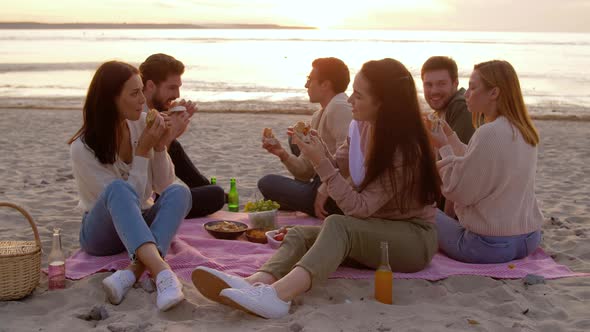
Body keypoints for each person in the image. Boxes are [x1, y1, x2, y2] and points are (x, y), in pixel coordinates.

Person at [192, 58, 441, 319]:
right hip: (377, 231)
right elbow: (335, 164)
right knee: (299, 234)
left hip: (413, 240)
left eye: (358, 95)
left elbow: (358, 209)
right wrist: (317, 150)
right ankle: (256, 282)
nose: (350, 101)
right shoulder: (361, 127)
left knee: (337, 224)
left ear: (383, 103)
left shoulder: (405, 148)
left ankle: (278, 296)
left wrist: (321, 163)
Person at [69, 61, 192, 311]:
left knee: (180, 191)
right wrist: (143, 150)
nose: (143, 102)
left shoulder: (142, 123)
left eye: (141, 92)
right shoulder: (82, 148)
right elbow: (128, 199)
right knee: (118, 189)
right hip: (101, 234)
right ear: (110, 99)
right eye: (134, 94)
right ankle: (163, 272)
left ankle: (133, 270)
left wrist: (160, 146)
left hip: (139, 225)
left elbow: (163, 184)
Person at [430, 60, 544, 264]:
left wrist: (443, 148)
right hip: (528, 239)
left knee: (420, 212)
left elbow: (459, 191)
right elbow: (480, 162)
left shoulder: (488, 132)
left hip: (489, 246)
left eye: (473, 87)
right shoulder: (525, 130)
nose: (466, 94)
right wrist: (451, 139)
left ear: (494, 93)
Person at [257, 57, 352, 218]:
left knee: (266, 183)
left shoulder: (340, 108)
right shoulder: (318, 115)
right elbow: (305, 172)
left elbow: (351, 161)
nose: (306, 85)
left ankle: (309, 201)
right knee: (295, 138)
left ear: (325, 84)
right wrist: (281, 153)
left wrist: (323, 191)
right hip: (322, 181)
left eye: (310, 80)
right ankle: (300, 198)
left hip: (335, 194)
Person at [139, 53, 225, 218]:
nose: (178, 94)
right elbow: (155, 182)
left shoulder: (152, 112)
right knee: (216, 195)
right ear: (150, 86)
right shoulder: (138, 118)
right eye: (171, 87)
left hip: (155, 193)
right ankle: (204, 188)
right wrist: (170, 135)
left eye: (178, 87)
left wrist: (172, 124)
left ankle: (202, 187)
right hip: (147, 201)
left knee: (210, 192)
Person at [421, 56, 475, 218]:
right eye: (428, 84)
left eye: (441, 84)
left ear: (455, 83)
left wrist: (446, 219)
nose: (434, 91)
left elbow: (460, 168)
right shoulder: (442, 110)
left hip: (461, 212)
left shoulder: (461, 108)